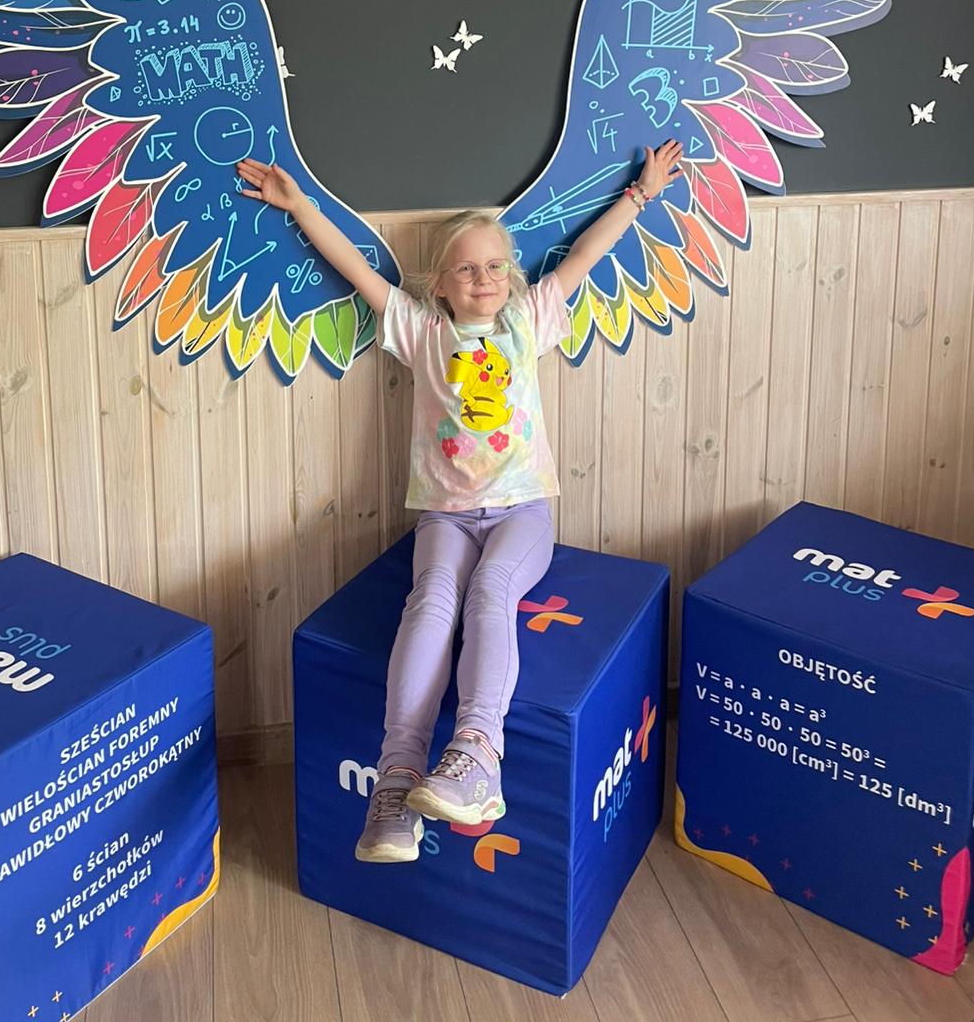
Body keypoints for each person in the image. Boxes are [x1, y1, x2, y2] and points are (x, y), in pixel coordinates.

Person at [236, 141, 682, 863]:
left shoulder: (529, 319)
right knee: (431, 601)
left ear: (512, 275)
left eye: (496, 266)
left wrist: (641, 194)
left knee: (489, 594)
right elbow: (353, 268)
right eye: (468, 269)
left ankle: (478, 755)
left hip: (522, 511)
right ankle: (396, 781)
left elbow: (585, 256)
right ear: (439, 283)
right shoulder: (422, 330)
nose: (485, 279)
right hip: (445, 515)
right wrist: (300, 207)